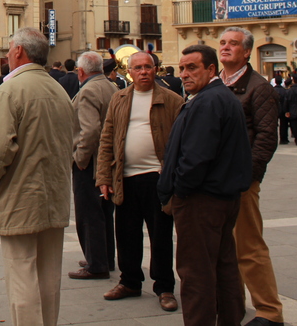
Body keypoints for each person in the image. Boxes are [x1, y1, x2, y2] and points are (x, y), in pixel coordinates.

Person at [0, 28, 75, 326]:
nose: (6, 55)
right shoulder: (58, 90)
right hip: (53, 195)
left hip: (19, 197)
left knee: (22, 274)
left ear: (19, 51)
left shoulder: (10, 90)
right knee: (49, 273)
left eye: (8, 49)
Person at [157, 44, 252, 326]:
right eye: (182, 68)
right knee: (224, 267)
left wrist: (181, 190)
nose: (184, 74)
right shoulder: (216, 97)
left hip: (202, 200)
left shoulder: (209, 101)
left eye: (192, 68)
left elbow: (196, 157)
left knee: (196, 272)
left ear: (211, 69)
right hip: (220, 197)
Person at [95, 51, 183, 312]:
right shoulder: (119, 98)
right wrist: (104, 177)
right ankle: (130, 281)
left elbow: (180, 143)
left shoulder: (172, 100)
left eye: (148, 66)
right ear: (129, 71)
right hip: (125, 178)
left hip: (157, 178)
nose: (144, 71)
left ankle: (164, 286)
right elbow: (107, 138)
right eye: (138, 68)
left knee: (161, 235)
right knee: (126, 233)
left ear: (156, 69)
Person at [219, 27, 283, 326]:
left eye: (233, 44)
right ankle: (234, 304)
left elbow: (268, 137)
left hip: (240, 180)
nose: (226, 47)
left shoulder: (259, 87)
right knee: (226, 248)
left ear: (247, 52)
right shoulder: (216, 83)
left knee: (250, 247)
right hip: (216, 181)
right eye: (222, 43)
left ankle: (270, 312)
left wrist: (249, 177)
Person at [67, 51, 118, 280]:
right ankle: (105, 257)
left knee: (89, 214)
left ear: (81, 71)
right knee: (105, 212)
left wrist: (80, 159)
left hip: (91, 162)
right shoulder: (111, 86)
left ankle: (96, 263)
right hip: (107, 161)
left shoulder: (88, 91)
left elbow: (90, 131)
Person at [273, 74, 289, 145]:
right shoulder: (284, 91)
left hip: (274, 110)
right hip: (283, 109)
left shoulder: (272, 90)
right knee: (284, 125)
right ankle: (284, 138)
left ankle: (273, 138)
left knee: (273, 125)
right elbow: (286, 101)